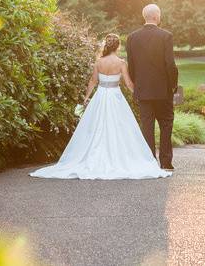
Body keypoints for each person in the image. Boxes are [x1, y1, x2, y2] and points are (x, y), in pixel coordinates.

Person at [29, 33, 172, 180]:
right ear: (117, 46)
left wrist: (86, 98)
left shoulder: (99, 62)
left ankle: (95, 155)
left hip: (100, 96)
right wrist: (138, 94)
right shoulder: (121, 63)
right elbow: (128, 84)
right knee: (119, 126)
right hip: (116, 97)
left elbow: (93, 81)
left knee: (96, 126)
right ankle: (117, 156)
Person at [126, 4, 178, 170]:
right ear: (156, 16)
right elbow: (170, 64)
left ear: (145, 17)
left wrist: (137, 84)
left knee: (147, 126)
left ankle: (148, 162)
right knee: (166, 124)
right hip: (163, 91)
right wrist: (173, 85)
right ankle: (165, 162)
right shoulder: (166, 36)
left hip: (143, 90)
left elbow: (131, 66)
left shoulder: (132, 37)